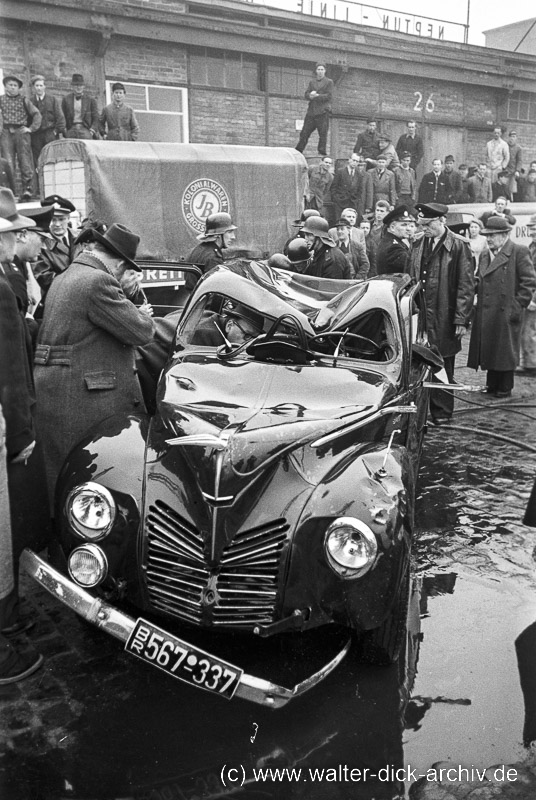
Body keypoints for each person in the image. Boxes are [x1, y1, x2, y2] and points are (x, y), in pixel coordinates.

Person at [34, 223, 155, 504]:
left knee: (62, 482)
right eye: (126, 270)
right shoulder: (99, 281)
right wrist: (135, 302)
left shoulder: (68, 275)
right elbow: (141, 332)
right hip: (84, 400)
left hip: (62, 394)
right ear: (119, 263)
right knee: (89, 482)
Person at [411, 202, 474, 425]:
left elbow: (466, 286)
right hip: (421, 316)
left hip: (444, 316)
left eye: (428, 224)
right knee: (419, 361)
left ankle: (443, 412)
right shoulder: (418, 243)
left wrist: (461, 319)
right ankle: (420, 409)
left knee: (443, 363)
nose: (424, 228)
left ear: (441, 221)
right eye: (421, 224)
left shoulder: (458, 246)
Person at [468, 216, 536, 398]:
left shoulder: (518, 251)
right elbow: (477, 278)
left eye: (493, 235)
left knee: (504, 349)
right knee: (490, 347)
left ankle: (504, 386)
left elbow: (529, 282)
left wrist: (517, 305)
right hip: (486, 310)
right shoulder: (484, 254)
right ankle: (492, 384)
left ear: (505, 234)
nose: (488, 239)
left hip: (506, 310)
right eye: (487, 235)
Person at [0, 75, 41, 201]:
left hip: (21, 132)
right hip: (6, 133)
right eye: (10, 85)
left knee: (25, 162)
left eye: (15, 86)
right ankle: (11, 192)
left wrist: (31, 128)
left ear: (18, 88)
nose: (12, 87)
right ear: (5, 86)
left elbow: (36, 114)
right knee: (8, 163)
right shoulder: (1, 100)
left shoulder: (24, 100)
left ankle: (27, 190)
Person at [33, 194, 77, 307]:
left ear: (68, 218)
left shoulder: (81, 238)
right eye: (53, 220)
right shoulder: (40, 244)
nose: (57, 224)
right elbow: (43, 277)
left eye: (61, 219)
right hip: (56, 302)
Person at [185, 212, 237, 292]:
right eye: (229, 232)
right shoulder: (213, 257)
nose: (233, 237)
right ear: (218, 235)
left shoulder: (200, 249)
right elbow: (217, 290)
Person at [29, 75, 66, 178]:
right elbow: (28, 119)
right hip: (36, 136)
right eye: (37, 86)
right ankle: (40, 188)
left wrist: (56, 132)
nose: (39, 88)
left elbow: (60, 117)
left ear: (45, 87)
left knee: (51, 159)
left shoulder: (52, 100)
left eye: (41, 85)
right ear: (33, 87)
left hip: (49, 134)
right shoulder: (30, 101)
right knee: (37, 161)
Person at [295, 62, 334, 157]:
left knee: (323, 134)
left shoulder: (329, 82)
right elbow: (306, 94)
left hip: (322, 112)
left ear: (325, 71)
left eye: (322, 69)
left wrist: (317, 96)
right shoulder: (312, 82)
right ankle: (299, 150)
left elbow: (329, 96)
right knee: (304, 132)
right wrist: (310, 96)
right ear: (316, 71)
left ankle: (321, 152)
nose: (320, 71)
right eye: (318, 69)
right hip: (312, 112)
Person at [192, 301, 264, 347]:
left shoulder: (219, 321)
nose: (248, 344)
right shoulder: (203, 337)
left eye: (253, 339)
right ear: (229, 325)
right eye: (247, 336)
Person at [517, 213, 536, 377]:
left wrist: (533, 299)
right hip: (532, 294)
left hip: (535, 297)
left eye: (534, 229)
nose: (531, 232)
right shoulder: (532, 245)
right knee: (528, 330)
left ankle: (532, 365)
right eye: (531, 229)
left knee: (530, 331)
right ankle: (530, 363)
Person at [376, 206, 414, 275]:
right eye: (404, 225)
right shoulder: (394, 247)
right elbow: (412, 266)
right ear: (392, 227)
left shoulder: (391, 241)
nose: (408, 229)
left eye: (409, 225)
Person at [62, 73, 99, 140]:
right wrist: (64, 130)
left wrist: (92, 130)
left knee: (86, 148)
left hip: (85, 129)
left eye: (80, 85)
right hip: (71, 129)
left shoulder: (90, 100)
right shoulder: (66, 99)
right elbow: (62, 116)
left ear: (83, 86)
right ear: (72, 86)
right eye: (76, 85)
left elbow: (96, 117)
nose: (78, 87)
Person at [330, 154, 363, 220]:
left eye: (357, 161)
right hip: (340, 202)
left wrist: (356, 200)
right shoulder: (340, 172)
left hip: (352, 203)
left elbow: (360, 189)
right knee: (340, 221)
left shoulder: (358, 174)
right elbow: (333, 187)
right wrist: (336, 198)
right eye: (354, 160)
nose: (355, 163)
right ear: (349, 160)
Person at [367, 200, 391, 277]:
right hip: (369, 257)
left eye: (382, 211)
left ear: (387, 213)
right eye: (377, 210)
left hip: (381, 257)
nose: (379, 213)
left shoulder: (388, 227)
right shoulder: (368, 224)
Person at [506, 131, 523, 201]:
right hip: (504, 171)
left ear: (516, 138)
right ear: (508, 137)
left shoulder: (518, 148)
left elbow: (519, 160)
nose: (512, 138)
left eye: (514, 137)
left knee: (512, 189)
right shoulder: (505, 145)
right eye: (511, 136)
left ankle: (511, 202)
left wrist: (517, 170)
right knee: (504, 188)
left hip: (513, 172)